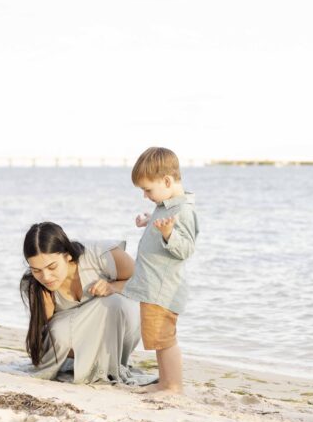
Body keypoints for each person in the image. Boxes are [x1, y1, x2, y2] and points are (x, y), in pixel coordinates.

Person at [20, 221, 146, 385]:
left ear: (68, 255)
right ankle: (85, 366)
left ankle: (109, 366)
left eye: (52, 267)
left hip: (117, 327)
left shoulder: (101, 254)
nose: (46, 277)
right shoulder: (36, 286)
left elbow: (145, 283)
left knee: (115, 303)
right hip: (76, 345)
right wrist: (44, 303)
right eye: (36, 270)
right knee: (57, 331)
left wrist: (113, 286)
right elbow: (48, 338)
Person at [121, 147, 199, 394]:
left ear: (167, 181)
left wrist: (168, 234)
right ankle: (165, 381)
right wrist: (149, 221)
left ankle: (172, 385)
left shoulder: (184, 210)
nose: (145, 195)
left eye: (148, 190)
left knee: (164, 338)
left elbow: (186, 248)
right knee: (157, 337)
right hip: (153, 285)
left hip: (164, 288)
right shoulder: (166, 206)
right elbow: (161, 221)